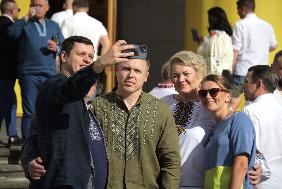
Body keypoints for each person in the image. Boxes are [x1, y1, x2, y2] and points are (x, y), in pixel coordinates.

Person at [22, 39, 181, 188]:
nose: (131, 75)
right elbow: (40, 130)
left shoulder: (160, 110)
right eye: (126, 68)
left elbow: (171, 160)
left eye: (137, 71)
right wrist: (29, 159)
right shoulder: (96, 106)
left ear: (146, 76)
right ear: (116, 70)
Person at [162, 51, 261, 188]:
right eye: (175, 75)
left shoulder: (211, 107)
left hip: (198, 184)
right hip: (164, 183)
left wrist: (259, 167)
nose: (181, 79)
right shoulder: (163, 104)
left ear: (199, 75)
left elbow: (245, 146)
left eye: (186, 74)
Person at [7, 0, 64, 142]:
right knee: (30, 112)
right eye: (33, 5)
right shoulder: (24, 23)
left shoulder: (53, 25)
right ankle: (28, 148)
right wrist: (25, 18)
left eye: (39, 5)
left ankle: (45, 144)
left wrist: (56, 48)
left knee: (47, 111)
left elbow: (64, 46)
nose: (36, 8)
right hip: (29, 74)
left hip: (49, 74)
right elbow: (11, 34)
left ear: (47, 8)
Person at [199, 74, 256, 189]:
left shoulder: (239, 119)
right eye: (203, 93)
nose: (208, 96)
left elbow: (241, 163)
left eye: (213, 91)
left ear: (228, 96)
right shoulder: (214, 128)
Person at [230, 0, 277, 111]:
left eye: (238, 10)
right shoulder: (267, 26)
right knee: (256, 102)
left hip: (242, 71)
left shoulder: (239, 25)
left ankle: (228, 125)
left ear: (243, 9)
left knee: (233, 101)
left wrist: (230, 70)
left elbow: (235, 50)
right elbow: (274, 45)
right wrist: (260, 50)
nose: (237, 13)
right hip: (261, 72)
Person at [242, 65, 282, 189]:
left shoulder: (250, 110)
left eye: (246, 82)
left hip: (261, 183)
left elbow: (251, 151)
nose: (243, 86)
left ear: (259, 84)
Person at [0, 0, 22, 147]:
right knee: (3, 103)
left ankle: (13, 134)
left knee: (11, 102)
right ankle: (12, 134)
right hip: (6, 72)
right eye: (18, 10)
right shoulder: (10, 27)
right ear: (12, 10)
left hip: (5, 73)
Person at [197, 7, 234, 76]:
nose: (208, 21)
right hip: (213, 74)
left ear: (215, 19)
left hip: (216, 76)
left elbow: (214, 59)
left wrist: (212, 78)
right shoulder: (212, 36)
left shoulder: (218, 37)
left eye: (209, 18)